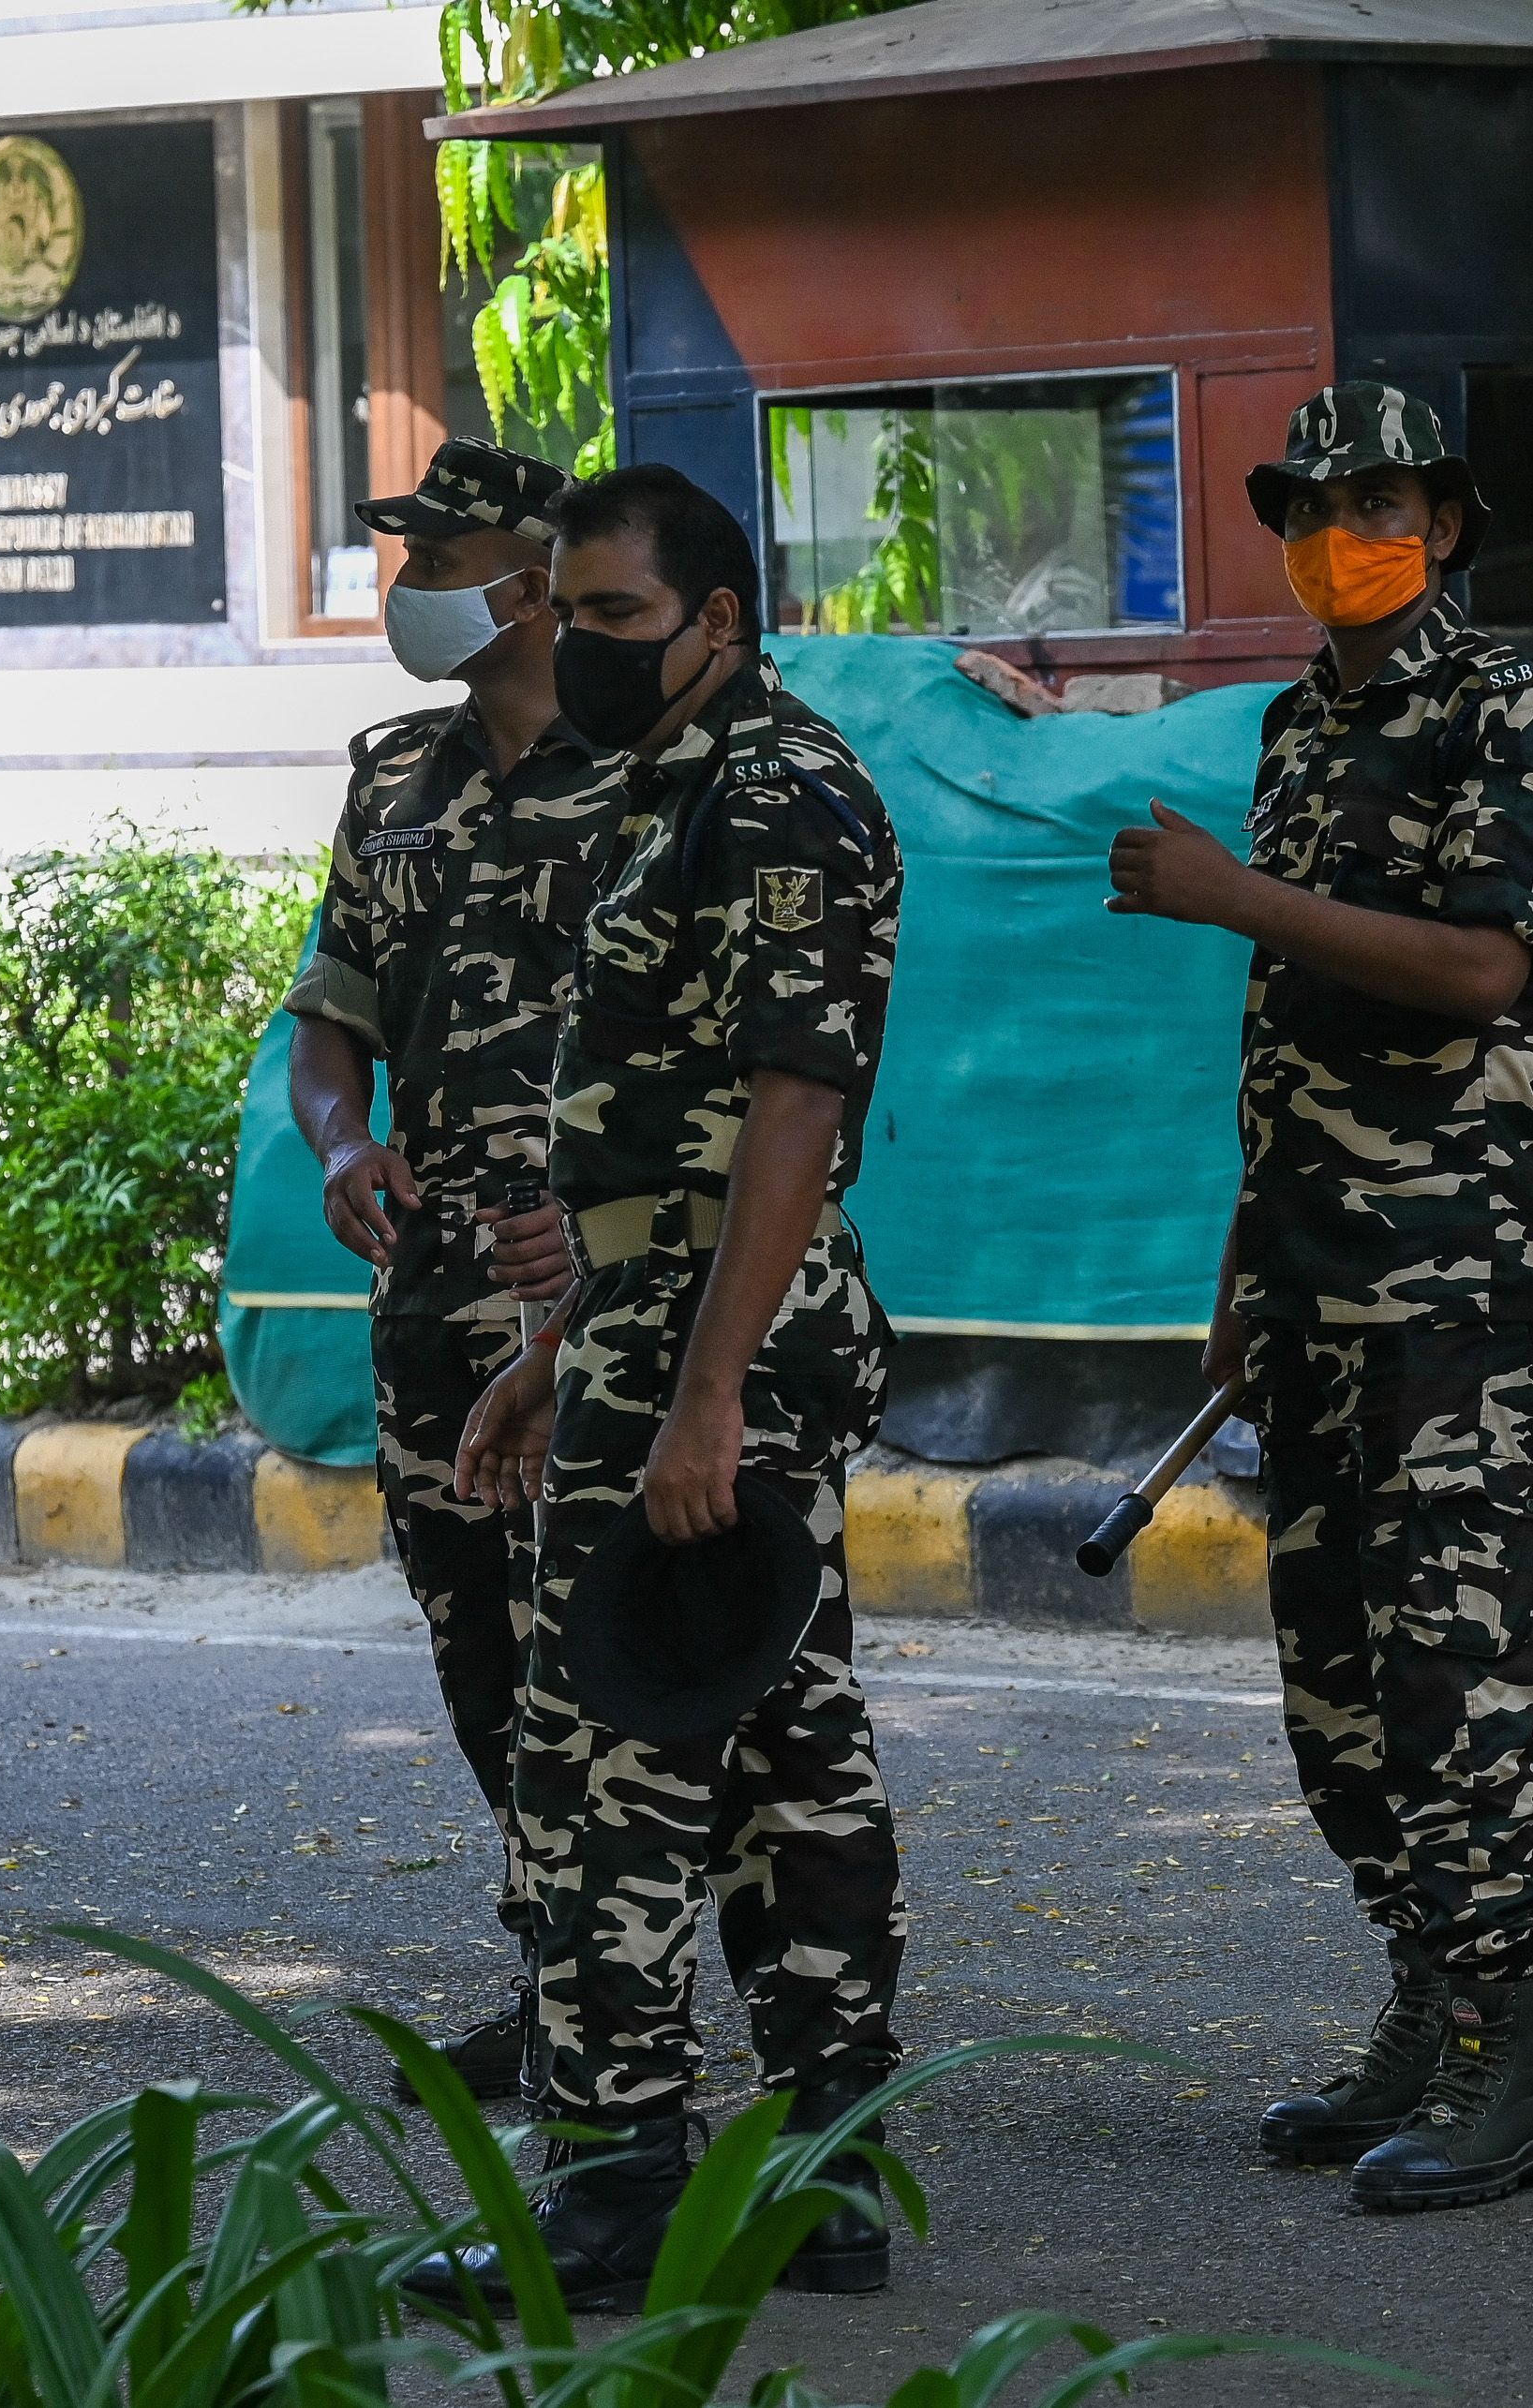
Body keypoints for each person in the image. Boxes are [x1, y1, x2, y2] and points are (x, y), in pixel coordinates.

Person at [1105, 381, 1533, 2211]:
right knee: (1333, 1694)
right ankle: (1432, 2004)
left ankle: (1514, 2053)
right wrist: (1244, 1264)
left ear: (1446, 521)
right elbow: (1290, 1036)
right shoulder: (1298, 728)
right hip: (1313, 1275)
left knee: (1448, 1684)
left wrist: (1237, 896)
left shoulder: (1513, 716)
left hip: (1450, 1279)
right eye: (1306, 503)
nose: (1335, 529)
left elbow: (1483, 967)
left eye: (1373, 496)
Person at [427, 462, 908, 2308]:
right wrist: (566, 1353)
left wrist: (701, 1393)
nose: (587, 646)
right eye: (572, 615)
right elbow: (671, 1128)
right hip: (662, 1324)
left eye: (620, 617)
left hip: (732, 1336)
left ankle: (616, 2191)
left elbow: (796, 1105)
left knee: (600, 1764)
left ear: (718, 621)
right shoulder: (672, 792)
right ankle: (829, 2174)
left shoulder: (779, 791)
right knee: (786, 1751)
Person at [287, 438, 640, 2100]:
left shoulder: (645, 768)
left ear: (526, 578)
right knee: (473, 1647)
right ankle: (552, 1967)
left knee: (600, 1650)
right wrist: (343, 1150)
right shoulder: (395, 781)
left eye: (437, 558)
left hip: (596, 1288)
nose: (404, 588)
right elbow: (323, 1028)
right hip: (429, 1290)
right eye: (397, 556)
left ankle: (631, 2006)